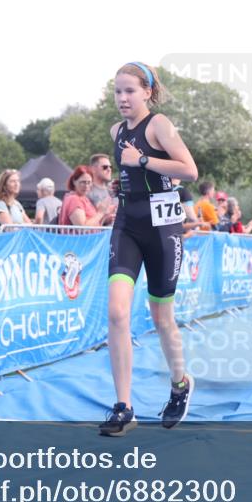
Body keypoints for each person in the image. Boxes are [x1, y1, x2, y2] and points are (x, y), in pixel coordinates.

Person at [100, 62, 199, 437]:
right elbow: (132, 175)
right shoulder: (115, 131)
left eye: (129, 91)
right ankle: (123, 407)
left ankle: (180, 384)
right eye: (117, 91)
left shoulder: (159, 125)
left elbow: (189, 169)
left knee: (161, 319)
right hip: (127, 224)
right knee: (117, 312)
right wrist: (121, 185)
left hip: (163, 229)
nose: (122, 98)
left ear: (147, 92)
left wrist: (140, 160)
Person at [88, 153, 117, 225]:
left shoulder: (113, 190)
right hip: (98, 235)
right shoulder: (87, 191)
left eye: (110, 167)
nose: (109, 169)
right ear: (93, 169)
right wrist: (104, 219)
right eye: (105, 167)